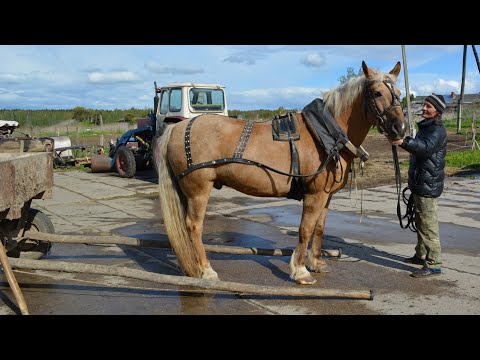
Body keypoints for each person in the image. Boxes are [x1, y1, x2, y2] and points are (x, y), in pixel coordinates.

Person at [388, 94, 447, 278]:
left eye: (428, 106)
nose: (424, 108)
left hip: (427, 185)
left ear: (437, 110)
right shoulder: (427, 127)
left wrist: (402, 142)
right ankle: (421, 255)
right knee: (420, 222)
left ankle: (434, 263)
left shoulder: (436, 130)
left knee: (428, 226)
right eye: (424, 105)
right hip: (421, 182)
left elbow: (424, 148)